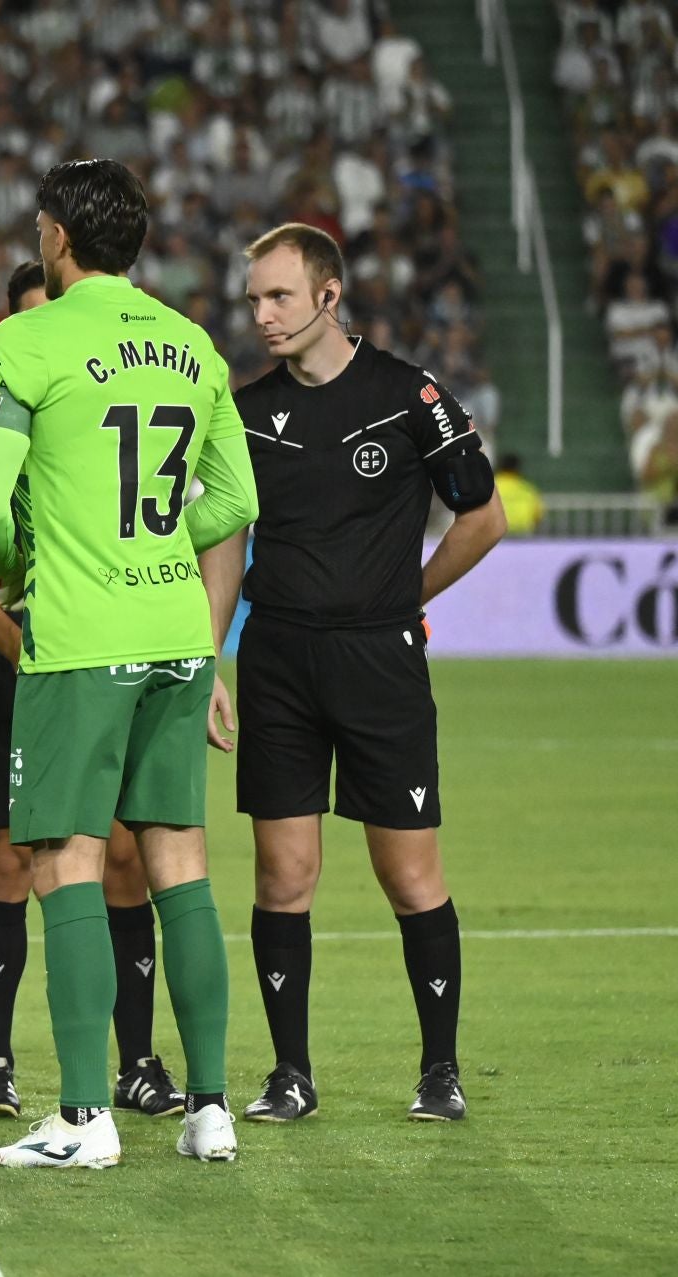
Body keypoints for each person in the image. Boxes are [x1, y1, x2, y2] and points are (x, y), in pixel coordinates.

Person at [0, 159, 259, 1170]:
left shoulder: (26, 340)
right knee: (180, 858)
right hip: (179, 631)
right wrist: (161, 546)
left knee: (65, 860)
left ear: (55, 235)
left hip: (81, 636)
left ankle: (86, 1118)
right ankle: (212, 1105)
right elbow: (234, 500)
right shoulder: (192, 346)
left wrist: (21, 573)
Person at [208, 222, 505, 1125]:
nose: (262, 315)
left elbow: (482, 519)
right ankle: (290, 1074)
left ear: (329, 296)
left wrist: (401, 595)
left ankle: (440, 1070)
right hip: (279, 660)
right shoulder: (247, 411)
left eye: (279, 297)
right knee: (282, 874)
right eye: (255, 299)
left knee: (410, 873)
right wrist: (208, 656)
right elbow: (228, 536)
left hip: (379, 661)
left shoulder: (408, 395)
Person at [0, 259, 186, 1122]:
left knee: (122, 858)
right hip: (21, 677)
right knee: (6, 861)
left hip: (106, 668)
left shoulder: (115, 417)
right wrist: (29, 647)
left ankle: (139, 1060)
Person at [493, 454, 544, 535]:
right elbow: (538, 517)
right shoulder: (528, 489)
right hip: (523, 536)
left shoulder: (490, 486)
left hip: (496, 535)